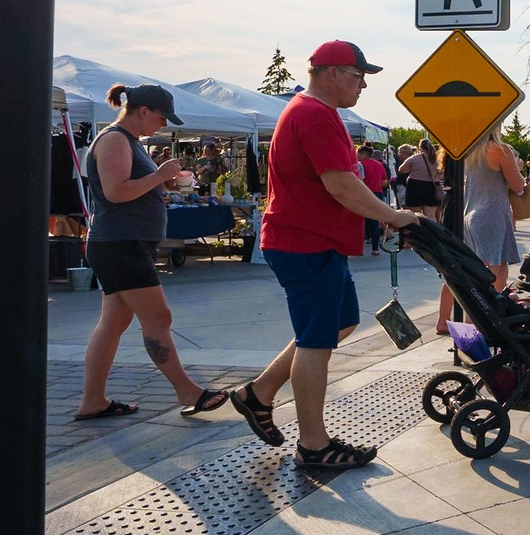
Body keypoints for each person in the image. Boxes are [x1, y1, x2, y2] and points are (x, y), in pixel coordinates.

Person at [228, 42, 419, 469]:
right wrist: (394, 215)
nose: (363, 84)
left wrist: (385, 216)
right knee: (316, 342)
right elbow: (341, 185)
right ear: (331, 72)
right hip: (305, 242)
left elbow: (339, 184)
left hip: (315, 242)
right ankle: (313, 445)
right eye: (358, 75)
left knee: (339, 323)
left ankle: (258, 393)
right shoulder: (314, 115)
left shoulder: (316, 113)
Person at [74, 84, 232, 421]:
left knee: (113, 322)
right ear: (142, 110)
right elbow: (116, 192)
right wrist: (159, 176)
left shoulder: (127, 142)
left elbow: (129, 189)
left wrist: (163, 183)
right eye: (161, 117)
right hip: (122, 244)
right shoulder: (115, 139)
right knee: (158, 319)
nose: (163, 125)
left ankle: (92, 401)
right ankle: (188, 391)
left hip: (122, 243)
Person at [435, 129, 529, 332]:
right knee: (490, 274)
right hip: (492, 215)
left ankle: (493, 318)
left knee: (497, 267)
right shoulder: (500, 150)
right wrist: (518, 168)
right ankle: (476, 328)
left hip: (471, 212)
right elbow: (518, 185)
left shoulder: (470, 151)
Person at [397, 138, 442, 223]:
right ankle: (432, 234)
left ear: (420, 147)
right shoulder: (436, 158)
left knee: (415, 215)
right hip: (432, 187)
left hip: (415, 186)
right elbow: (440, 171)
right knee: (431, 216)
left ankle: (419, 234)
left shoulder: (415, 158)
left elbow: (401, 169)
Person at [357, 143, 391, 255]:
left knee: (360, 220)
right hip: (378, 193)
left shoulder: (360, 165)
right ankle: (375, 249)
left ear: (363, 154)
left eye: (358, 153)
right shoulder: (379, 165)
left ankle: (359, 246)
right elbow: (385, 182)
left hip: (364, 193)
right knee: (374, 221)